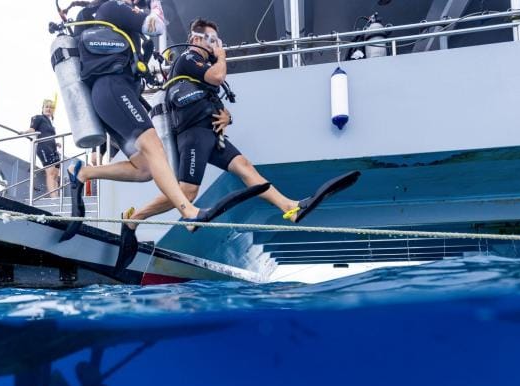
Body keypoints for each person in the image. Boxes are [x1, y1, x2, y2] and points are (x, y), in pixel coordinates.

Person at [114, 18, 361, 272]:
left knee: (243, 166)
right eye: (212, 40)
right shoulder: (188, 58)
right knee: (187, 194)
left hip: (211, 133)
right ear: (196, 39)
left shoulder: (202, 67)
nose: (216, 45)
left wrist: (227, 116)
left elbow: (212, 97)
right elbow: (218, 76)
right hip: (193, 134)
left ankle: (289, 208)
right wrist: (222, 57)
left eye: (217, 42)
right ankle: (134, 219)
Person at [60, 0, 268, 242]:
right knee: (154, 147)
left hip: (110, 94)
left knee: (145, 169)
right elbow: (156, 26)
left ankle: (83, 173)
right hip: (113, 88)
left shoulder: (103, 14)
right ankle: (189, 212)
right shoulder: (112, 8)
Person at [24, 99, 62, 198]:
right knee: (50, 172)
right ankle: (54, 197)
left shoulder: (50, 123)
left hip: (53, 148)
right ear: (43, 108)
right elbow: (32, 129)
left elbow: (48, 135)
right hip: (43, 147)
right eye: (47, 107)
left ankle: (57, 196)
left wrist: (56, 143)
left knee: (56, 173)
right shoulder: (38, 117)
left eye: (51, 107)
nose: (49, 109)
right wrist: (24, 132)